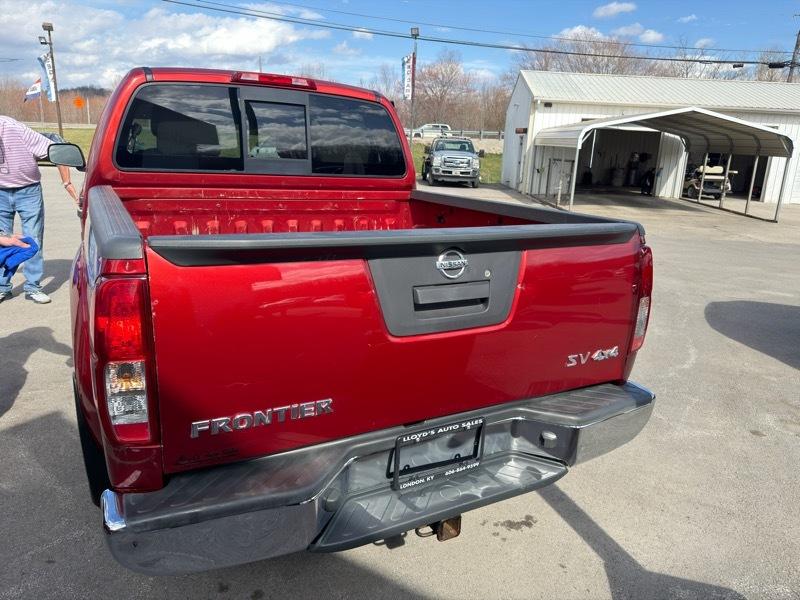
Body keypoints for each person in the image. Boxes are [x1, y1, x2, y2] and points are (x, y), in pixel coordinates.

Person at [0, 115, 78, 304]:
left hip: (28, 190)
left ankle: (33, 286)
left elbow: (56, 148)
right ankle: (2, 287)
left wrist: (67, 182)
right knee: (3, 239)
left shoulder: (14, 129)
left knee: (32, 238)